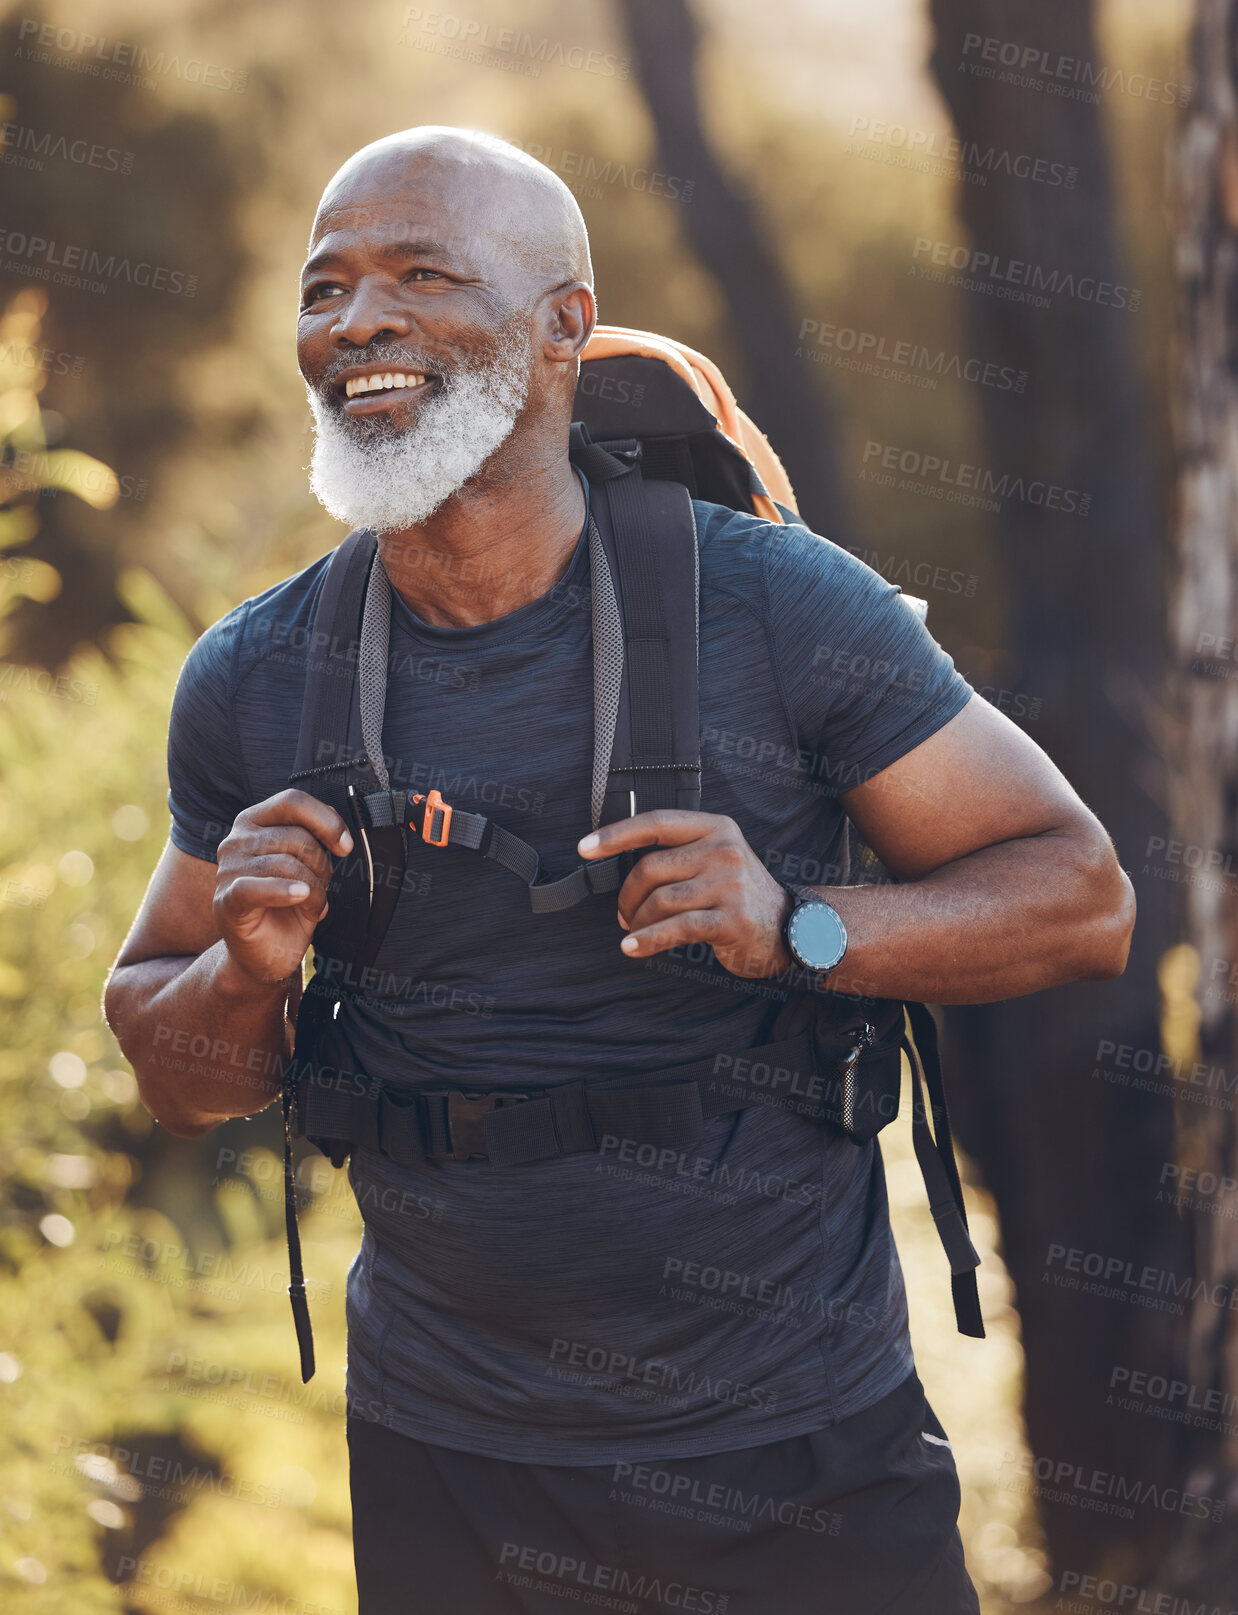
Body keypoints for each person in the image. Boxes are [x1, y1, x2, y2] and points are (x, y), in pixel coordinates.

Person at [104, 126, 1135, 1614]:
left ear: (563, 325)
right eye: (324, 291)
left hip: (797, 1451)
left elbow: (1080, 895)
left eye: (419, 275)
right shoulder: (257, 679)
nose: (357, 323)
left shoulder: (779, 610)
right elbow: (175, 1068)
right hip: (445, 1461)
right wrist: (243, 969)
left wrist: (801, 927)